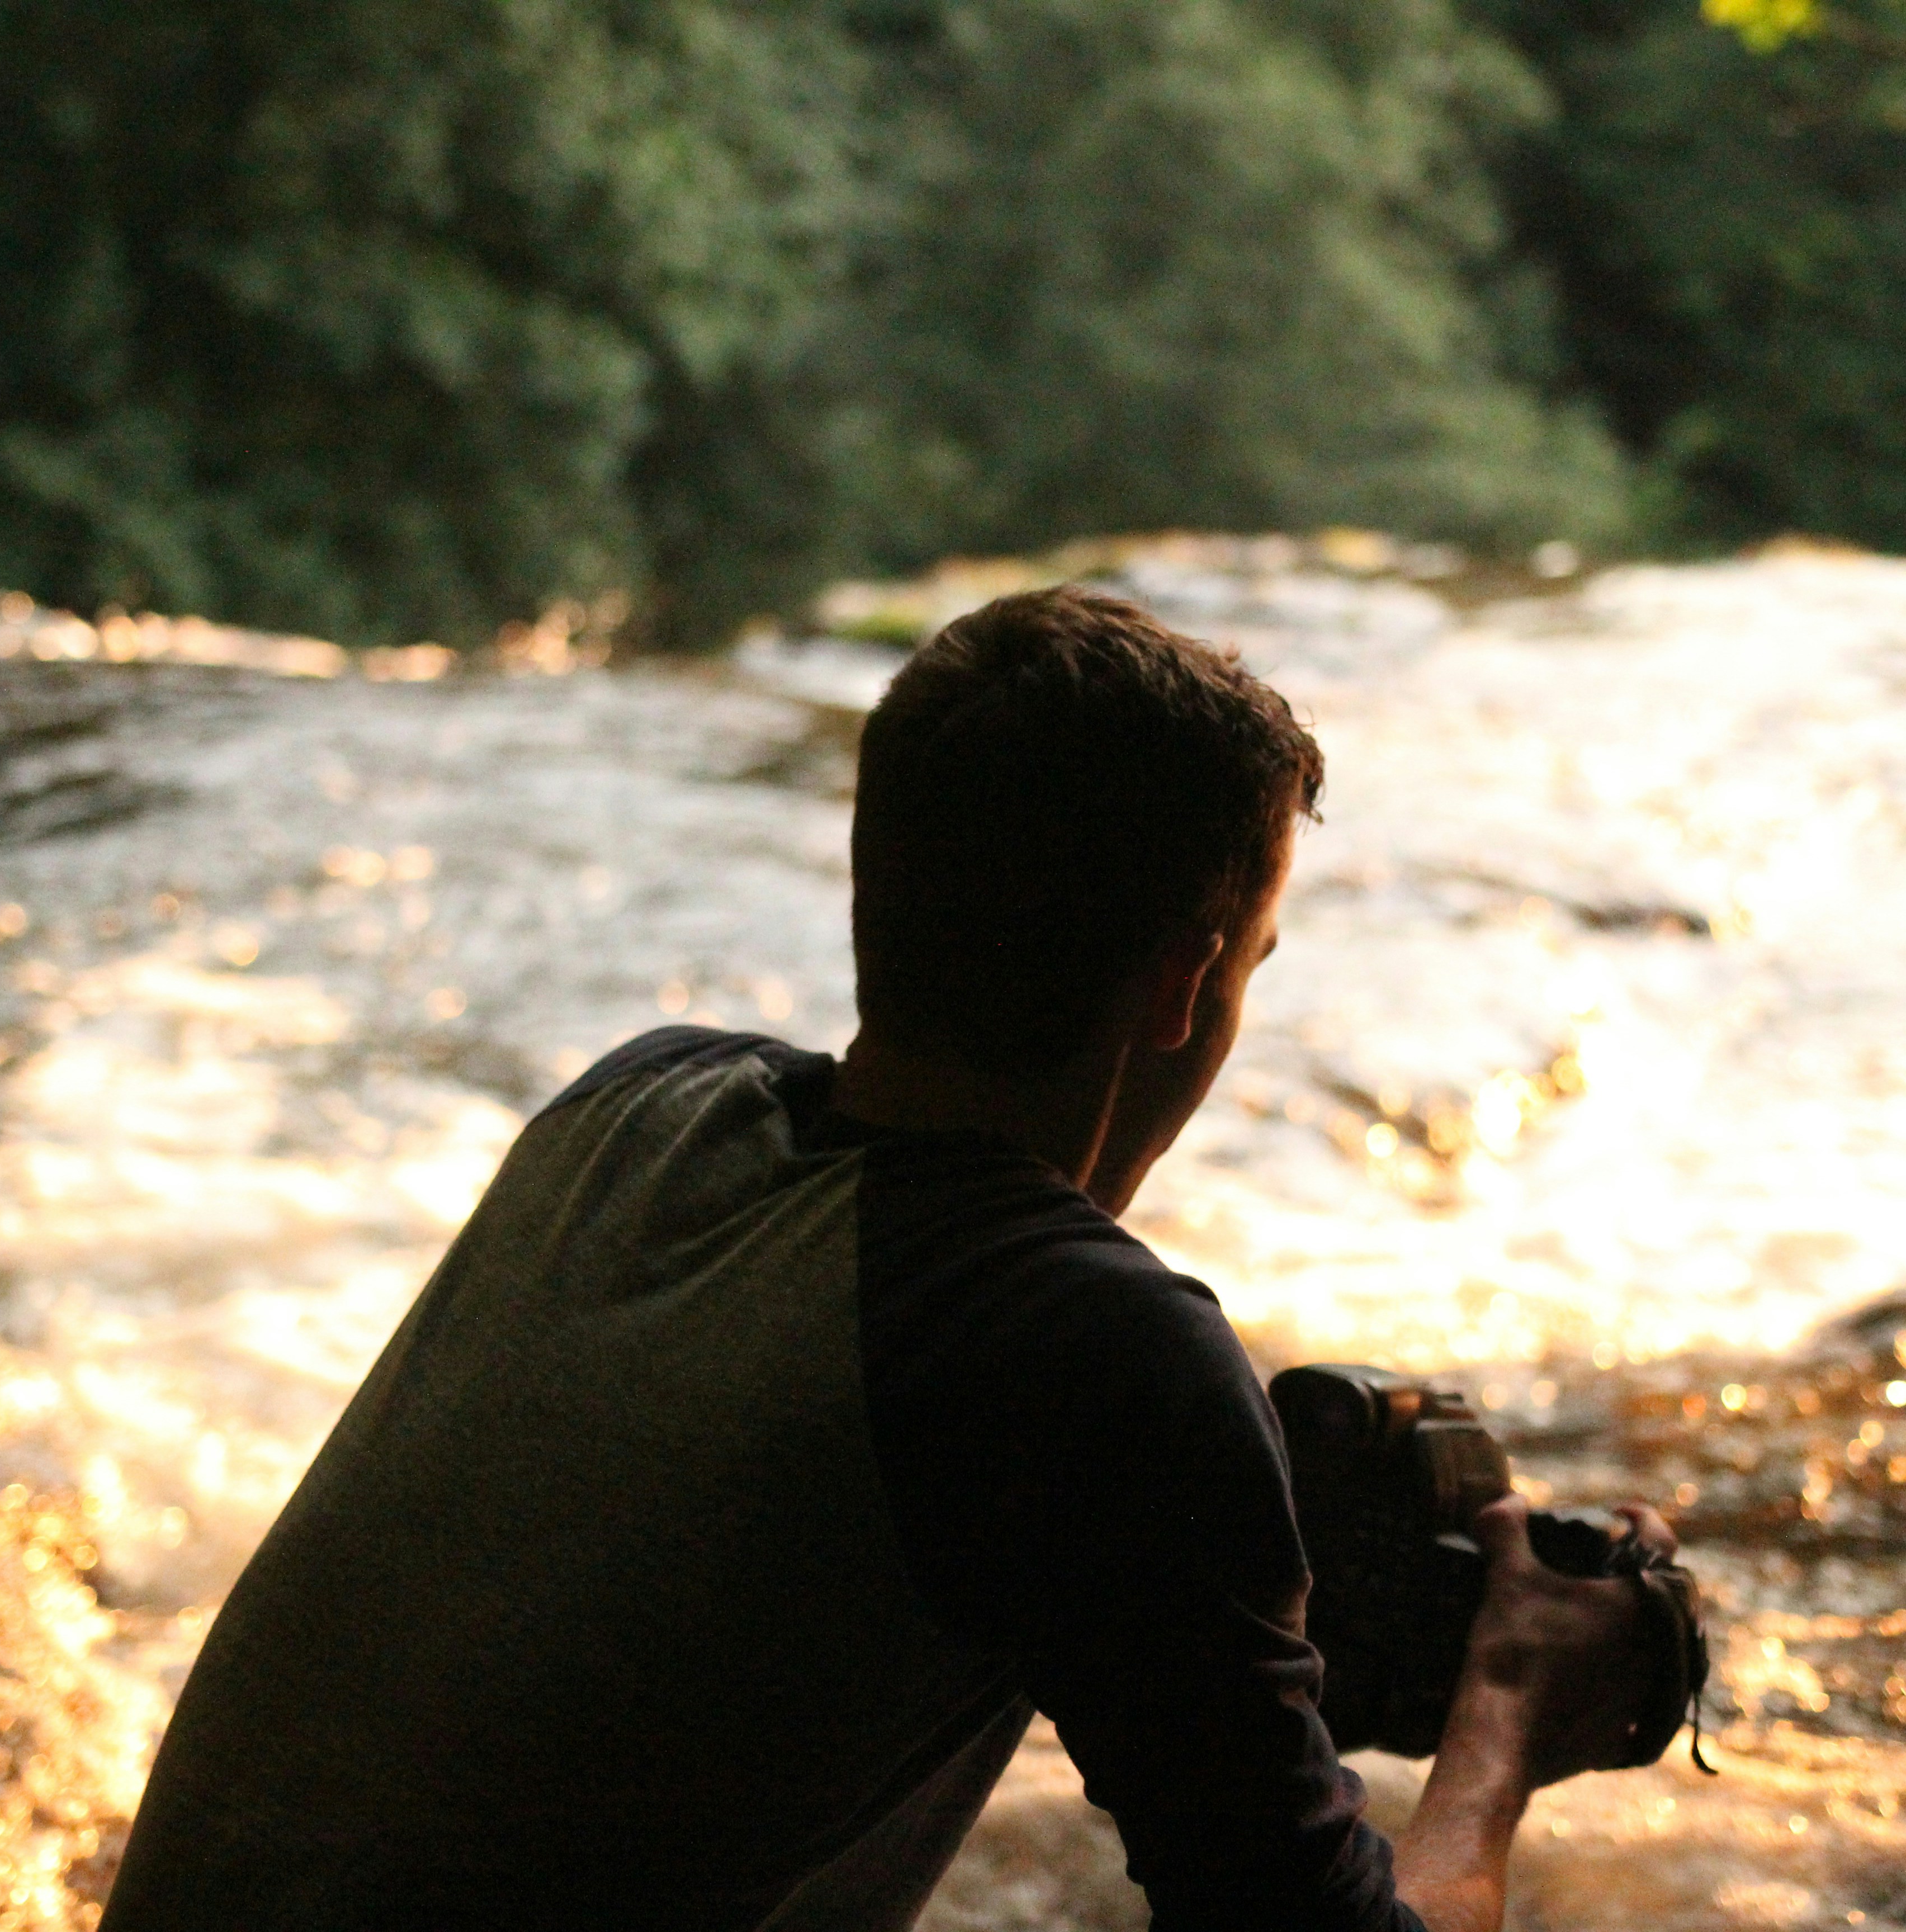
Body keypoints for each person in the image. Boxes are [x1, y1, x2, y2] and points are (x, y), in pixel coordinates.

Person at [101, 586, 1678, 1932]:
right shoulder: (1086, 1346)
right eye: (1257, 957)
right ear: (1189, 985)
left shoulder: (636, 1103)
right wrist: (1503, 1717)